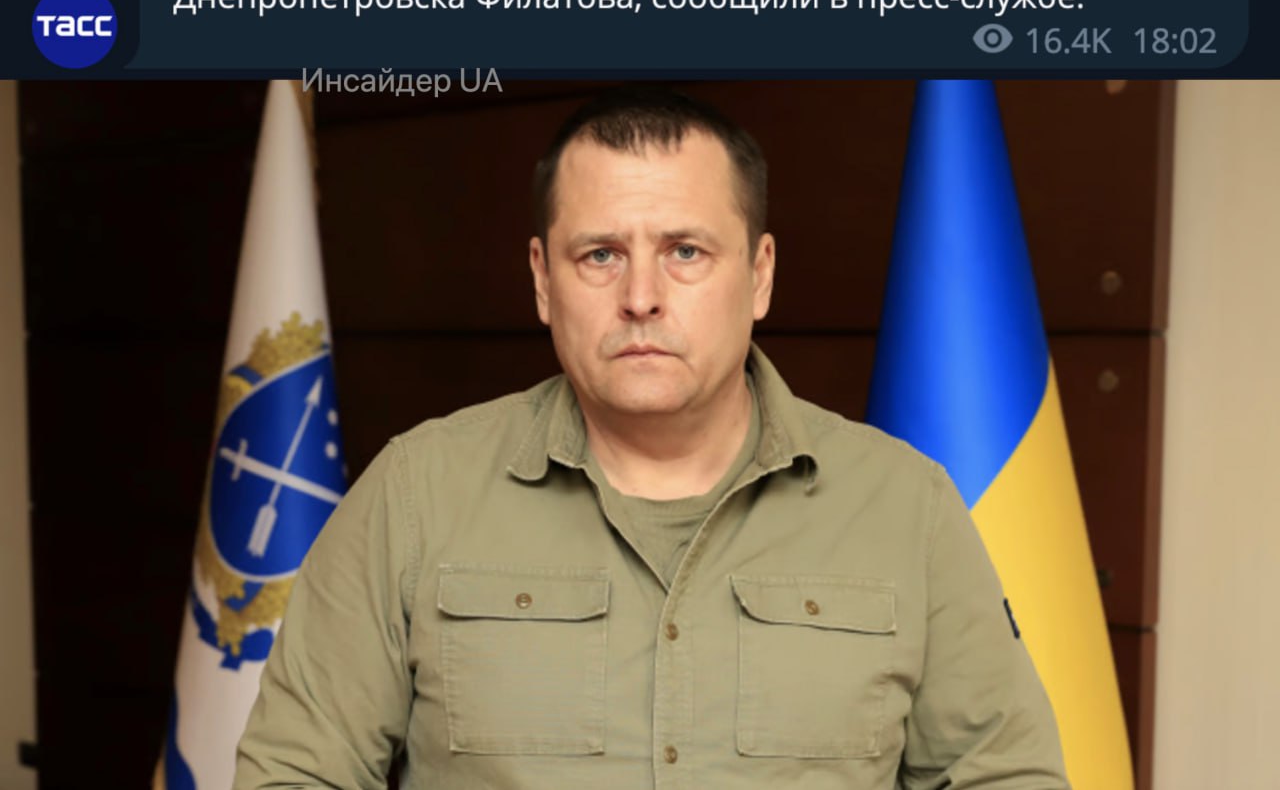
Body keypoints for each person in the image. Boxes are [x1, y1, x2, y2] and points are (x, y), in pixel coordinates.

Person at [234, 87, 1069, 789]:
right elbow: (292, 775)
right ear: (543, 280)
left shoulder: (906, 507)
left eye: (685, 251)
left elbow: (1003, 776)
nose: (641, 296)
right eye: (600, 254)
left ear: (760, 275)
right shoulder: (415, 494)